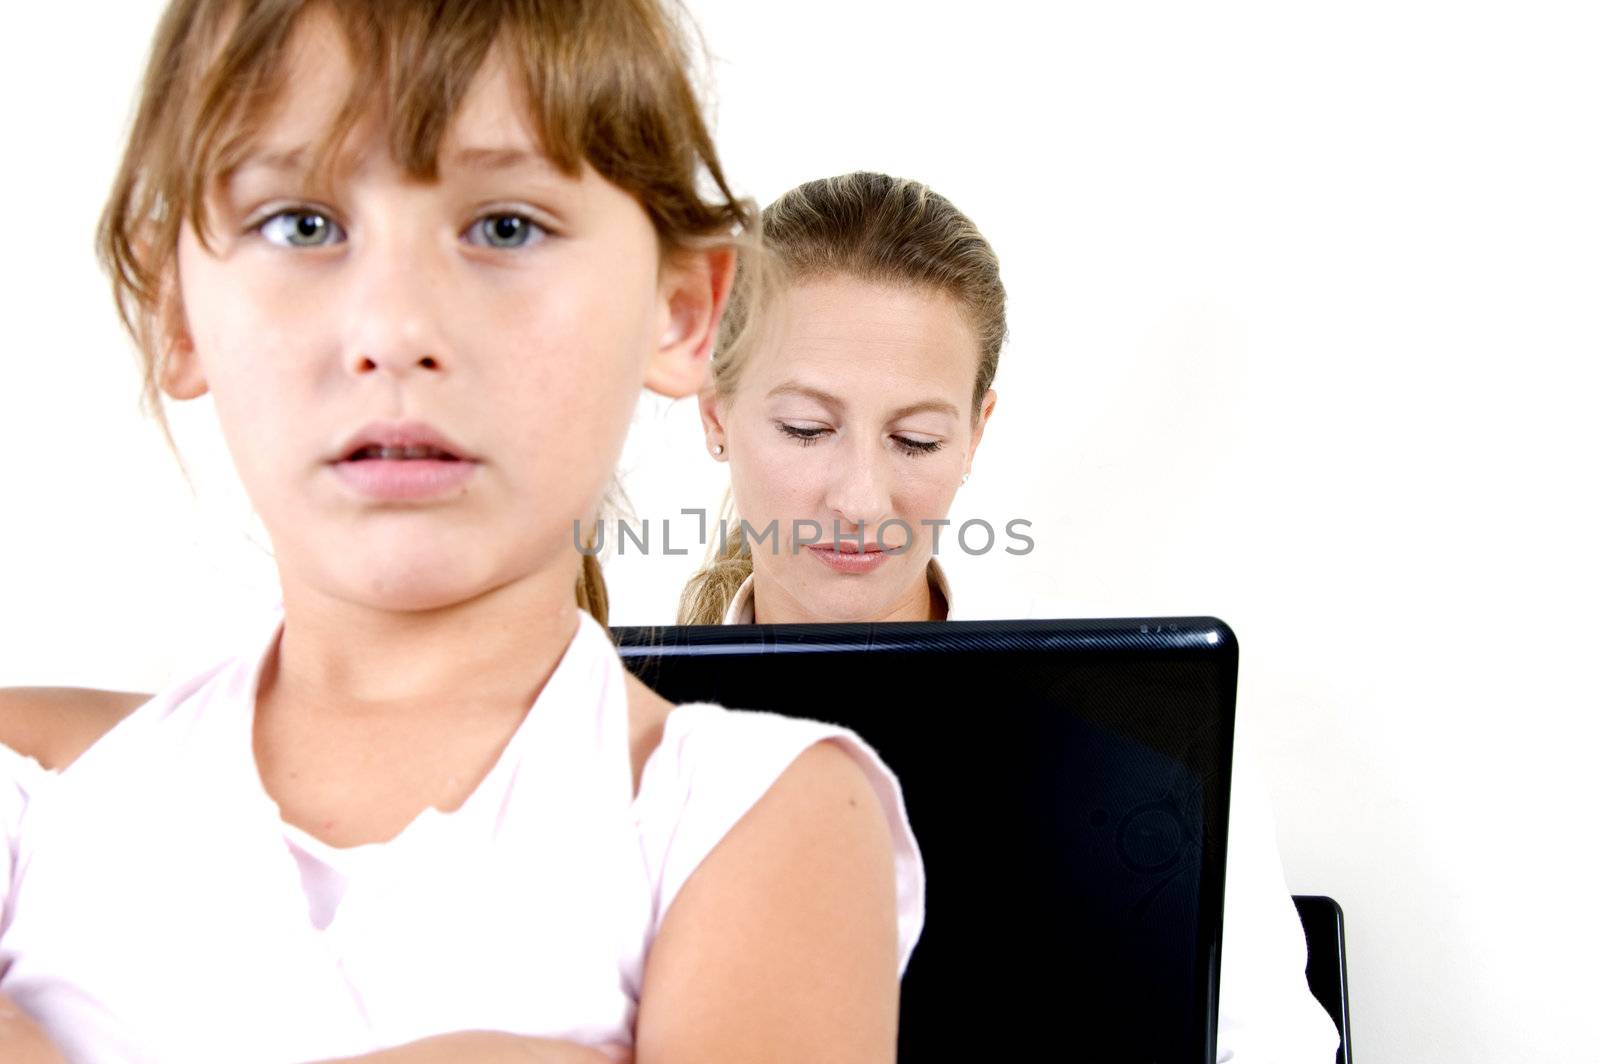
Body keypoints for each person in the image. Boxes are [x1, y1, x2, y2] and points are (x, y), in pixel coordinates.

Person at [0, 7, 924, 1063]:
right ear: (176, 312)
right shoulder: (29, 779)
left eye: (506, 227)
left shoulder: (757, 819)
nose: (396, 331)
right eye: (302, 224)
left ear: (681, 311)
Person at [681, 170, 1342, 1062]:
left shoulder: (1138, 726)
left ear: (976, 433)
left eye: (917, 439)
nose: (862, 500)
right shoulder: (607, 734)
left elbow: (1276, 1050)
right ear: (716, 412)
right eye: (805, 427)